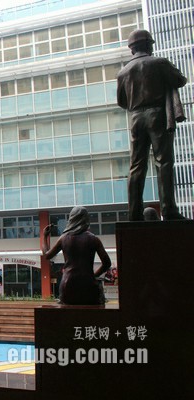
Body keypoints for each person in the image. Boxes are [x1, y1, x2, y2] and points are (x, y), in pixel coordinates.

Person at [116, 29, 188, 221]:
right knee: (164, 161)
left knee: (136, 166)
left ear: (132, 49)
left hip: (135, 118)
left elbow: (122, 101)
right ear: (148, 45)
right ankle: (169, 210)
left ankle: (134, 213)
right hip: (157, 115)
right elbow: (180, 80)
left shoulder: (123, 72)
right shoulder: (159, 63)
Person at [41, 206, 112, 305]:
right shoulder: (94, 239)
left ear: (71, 219)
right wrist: (94, 275)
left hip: (67, 285)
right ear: (86, 219)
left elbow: (47, 255)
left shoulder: (63, 238)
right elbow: (107, 263)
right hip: (89, 285)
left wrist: (45, 236)